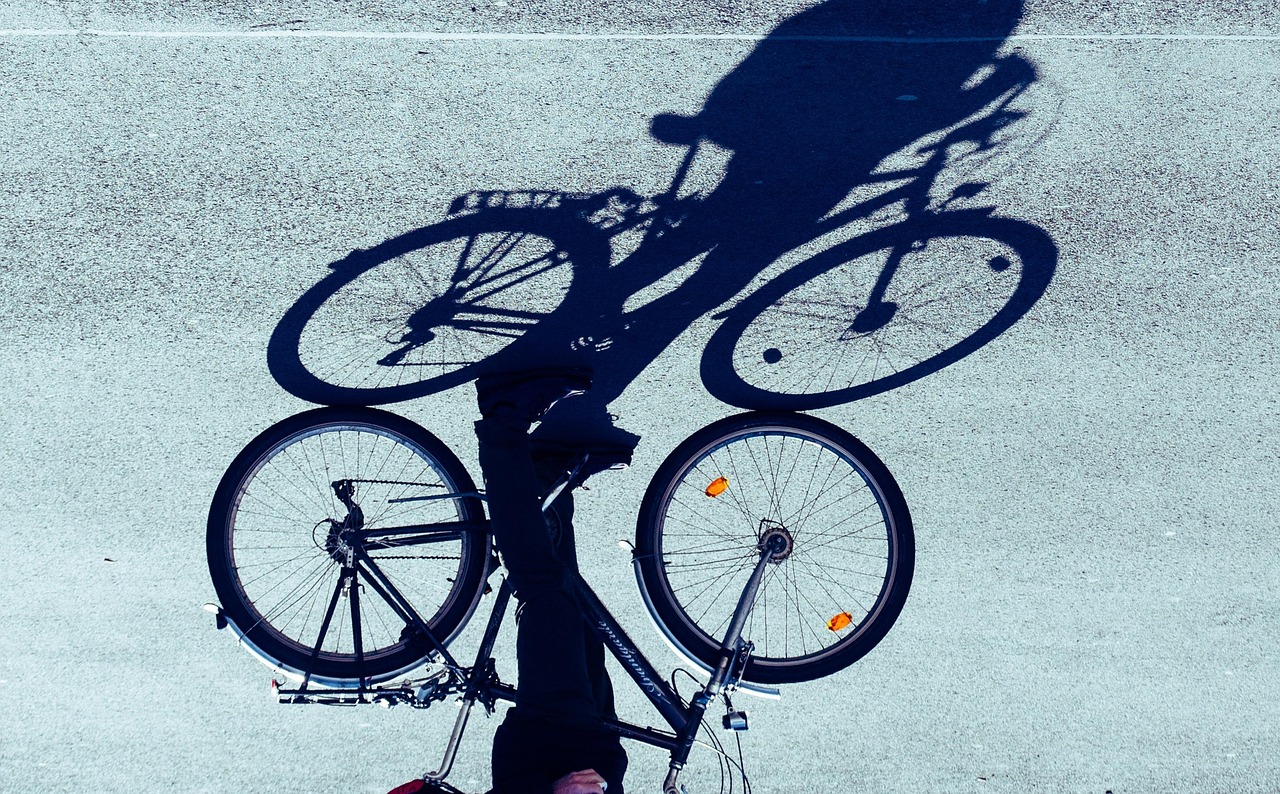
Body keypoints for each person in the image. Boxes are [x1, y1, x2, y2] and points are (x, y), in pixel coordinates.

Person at [390, 368, 628, 794]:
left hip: (546, 738)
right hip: (586, 740)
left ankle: (505, 418)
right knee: (574, 607)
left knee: (543, 587)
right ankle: (547, 476)